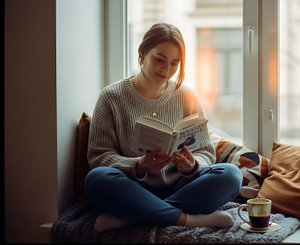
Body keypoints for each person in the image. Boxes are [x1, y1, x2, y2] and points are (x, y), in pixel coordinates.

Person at [84, 23, 243, 232]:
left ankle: (134, 216)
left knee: (231, 175)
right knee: (96, 180)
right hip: (133, 187)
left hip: (182, 187)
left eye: (175, 63)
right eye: (159, 59)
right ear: (142, 53)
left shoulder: (187, 96)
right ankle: (188, 219)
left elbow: (205, 150)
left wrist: (192, 166)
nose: (166, 70)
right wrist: (138, 166)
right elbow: (99, 157)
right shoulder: (112, 96)